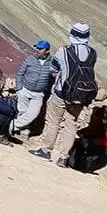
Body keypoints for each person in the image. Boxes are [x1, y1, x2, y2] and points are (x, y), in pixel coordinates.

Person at [30, 22, 99, 167]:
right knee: (71, 125)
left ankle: (46, 149)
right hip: (80, 96)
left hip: (62, 92)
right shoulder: (93, 53)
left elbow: (54, 69)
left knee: (53, 120)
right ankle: (64, 157)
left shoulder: (64, 51)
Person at [68, 107, 107, 172]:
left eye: (103, 119)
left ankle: (88, 166)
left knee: (98, 149)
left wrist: (95, 142)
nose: (102, 121)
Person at [12, 40, 54, 136]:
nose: (37, 50)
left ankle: (11, 125)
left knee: (33, 114)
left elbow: (53, 77)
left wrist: (48, 88)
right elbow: (20, 73)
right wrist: (19, 89)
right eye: (37, 48)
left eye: (40, 48)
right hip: (25, 89)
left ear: (46, 50)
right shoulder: (30, 59)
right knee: (22, 111)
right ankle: (22, 129)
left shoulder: (52, 62)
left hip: (38, 94)